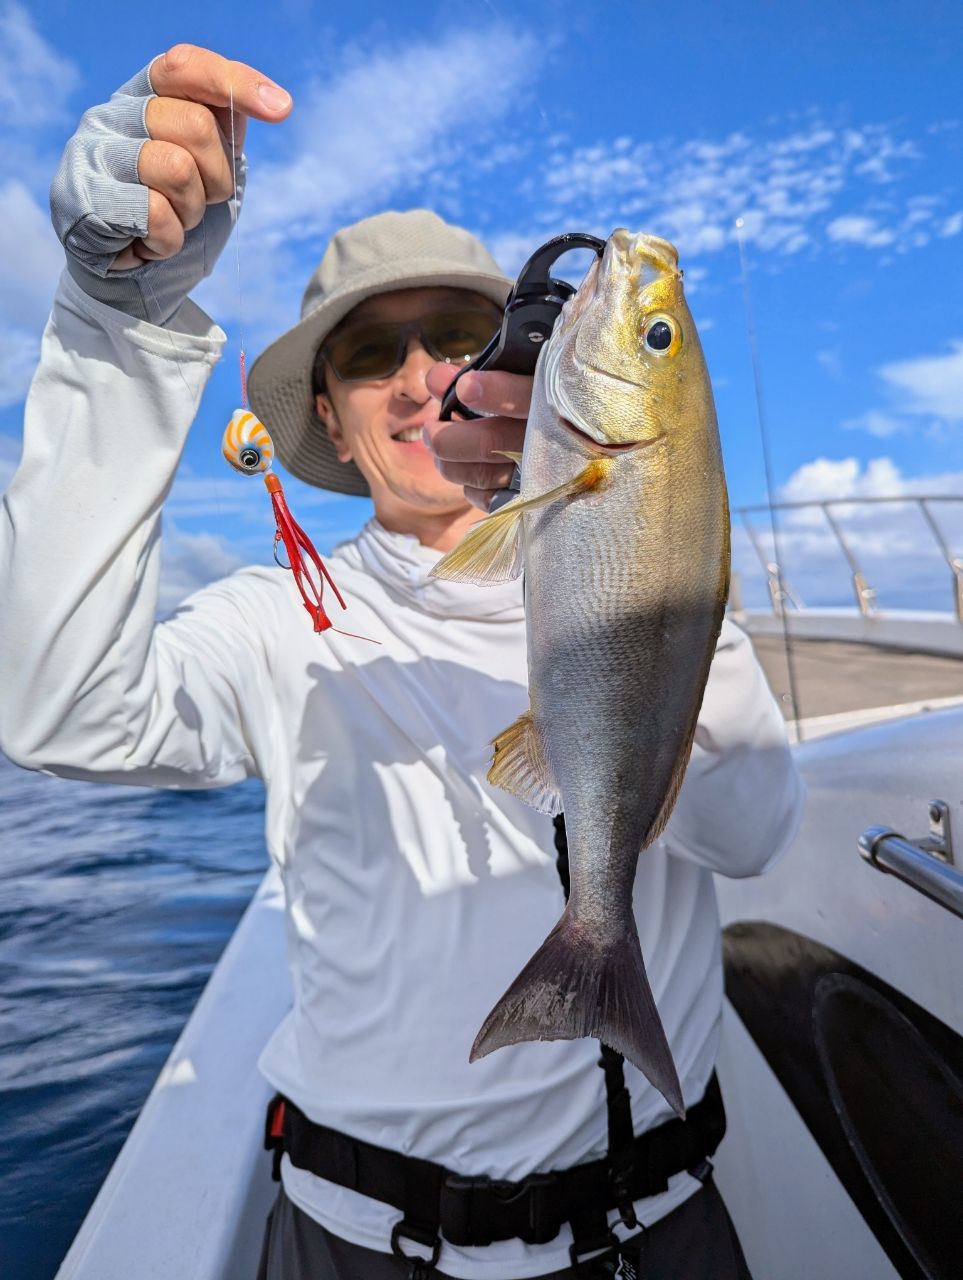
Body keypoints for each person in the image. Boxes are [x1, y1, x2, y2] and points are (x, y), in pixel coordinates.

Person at [0, 44, 804, 1280]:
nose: (423, 375)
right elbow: (57, 710)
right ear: (326, 413)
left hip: (661, 1231)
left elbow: (750, 826)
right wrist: (116, 323)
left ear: (521, 364)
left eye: (458, 334)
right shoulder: (281, 619)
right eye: (373, 354)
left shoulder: (638, 540)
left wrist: (665, 530)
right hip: (362, 1243)